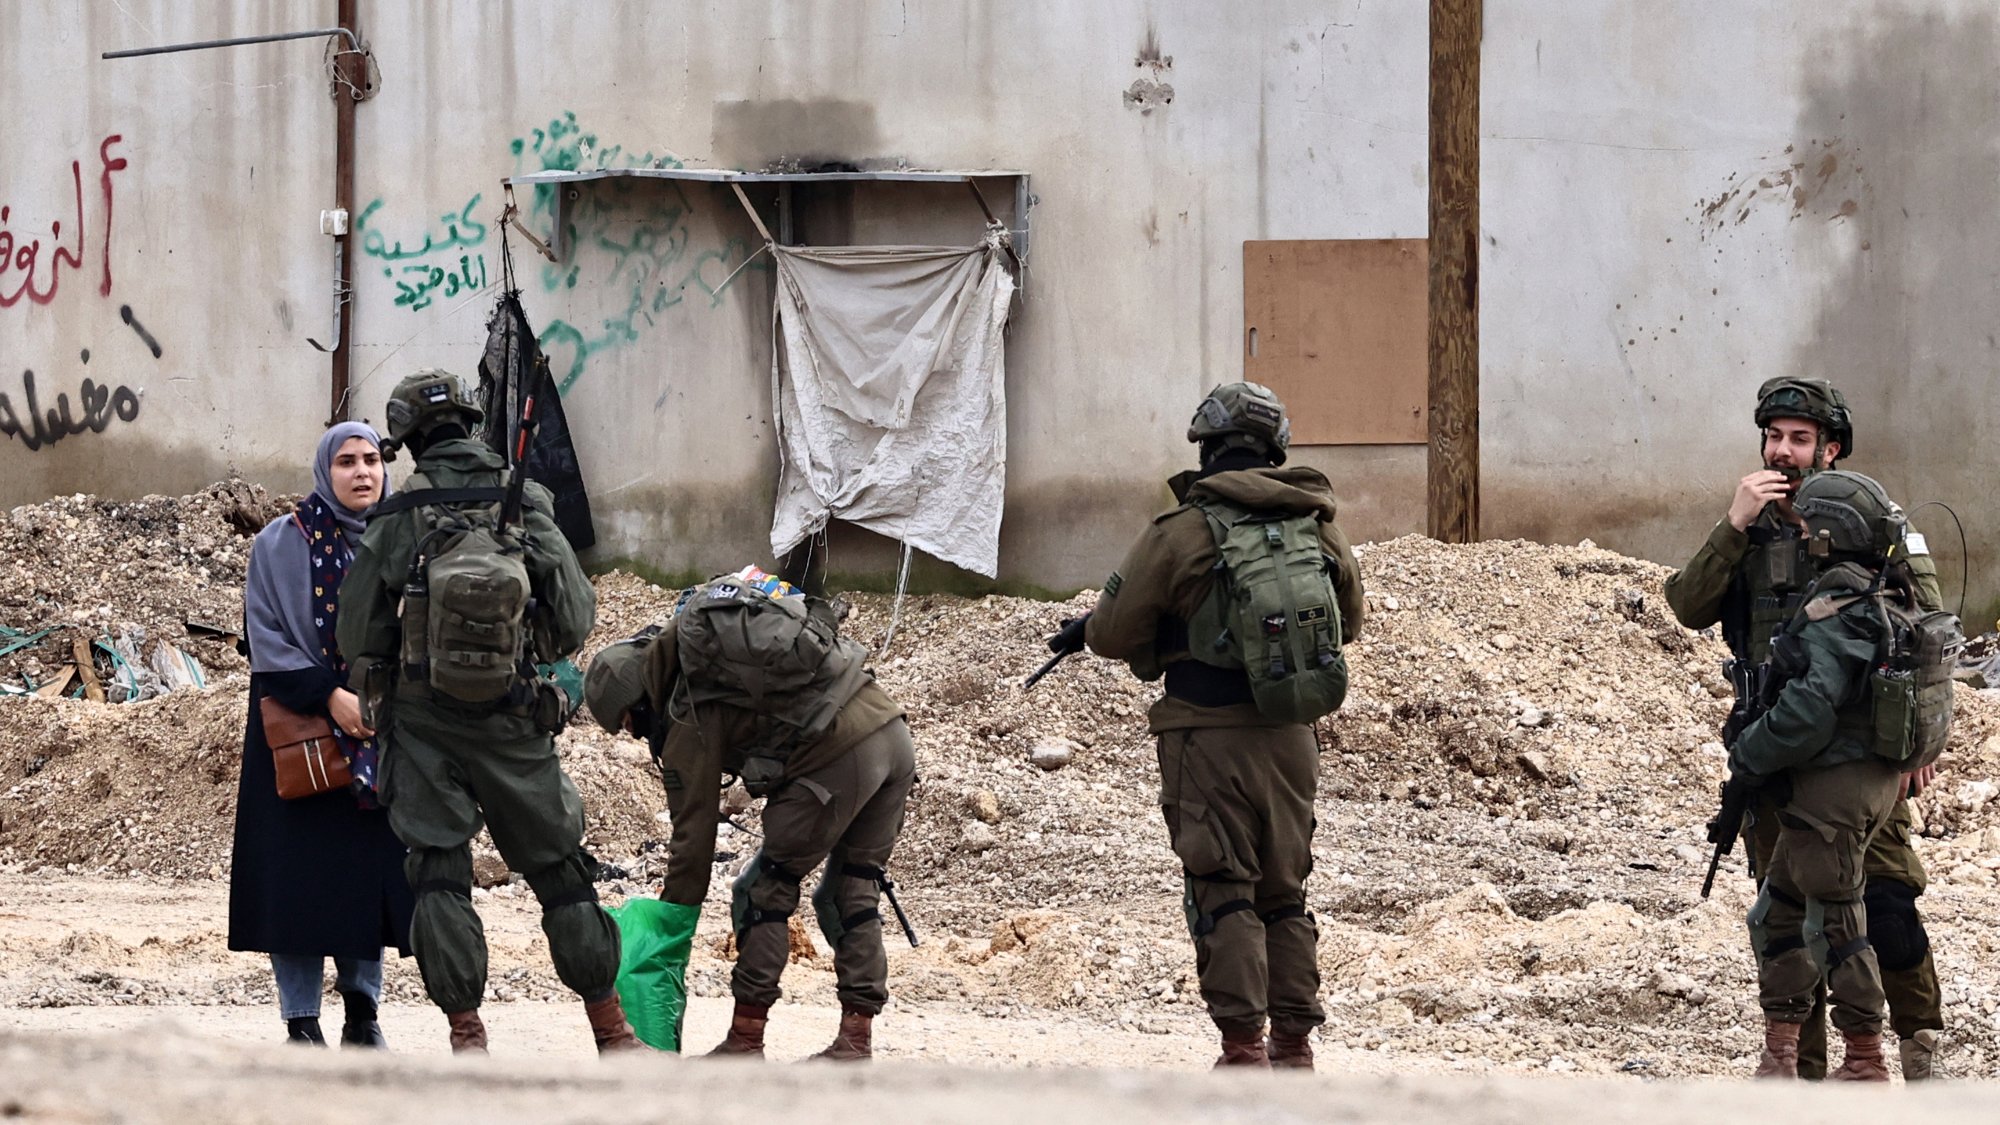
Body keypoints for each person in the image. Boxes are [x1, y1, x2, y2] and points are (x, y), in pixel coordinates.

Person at [336, 369, 636, 1055]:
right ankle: (612, 1032)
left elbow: (358, 637)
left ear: (407, 440)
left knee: (439, 874)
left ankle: (468, 1039)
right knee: (561, 871)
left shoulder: (397, 512)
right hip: (516, 721)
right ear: (472, 424)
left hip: (421, 728)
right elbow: (575, 616)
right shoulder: (522, 500)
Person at [1073, 382, 1364, 1069]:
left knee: (1222, 885)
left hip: (1206, 733)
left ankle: (1242, 1052)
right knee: (1284, 891)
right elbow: (1348, 622)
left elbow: (1114, 632)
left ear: (1206, 447)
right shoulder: (1318, 523)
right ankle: (1295, 1046)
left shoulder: (1181, 531)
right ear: (1275, 448)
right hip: (1292, 735)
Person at [1664, 379, 1946, 1079]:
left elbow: (1933, 634)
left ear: (1831, 448)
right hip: (1780, 747)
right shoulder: (1750, 527)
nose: (1782, 452)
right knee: (1787, 916)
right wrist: (1732, 526)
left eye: (1798, 438)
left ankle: (1921, 1056)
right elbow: (1687, 605)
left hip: (1856, 754)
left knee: (1884, 905)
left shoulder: (1872, 520)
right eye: (1773, 436)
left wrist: (1920, 742)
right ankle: (1807, 1074)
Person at [582, 578, 915, 1062]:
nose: (634, 736)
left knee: (762, 889)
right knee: (850, 890)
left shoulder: (685, 705)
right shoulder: (711, 665)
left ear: (635, 701)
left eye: (628, 724)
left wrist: (670, 928)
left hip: (839, 754)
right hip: (890, 732)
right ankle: (855, 1041)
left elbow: (692, 841)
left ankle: (745, 1041)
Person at [1726, 469, 1941, 1081]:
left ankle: (1865, 1063)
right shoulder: (1879, 591)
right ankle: (1784, 1053)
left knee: (1842, 924)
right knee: (1777, 913)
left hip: (1832, 792)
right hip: (1856, 787)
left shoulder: (1836, 605)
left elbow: (1808, 711)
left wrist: (1750, 753)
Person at [230, 421, 414, 1047]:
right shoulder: (278, 545)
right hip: (300, 732)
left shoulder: (404, 540)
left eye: (372, 460)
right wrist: (332, 697)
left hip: (381, 733)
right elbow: (267, 640)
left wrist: (379, 699)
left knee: (365, 882)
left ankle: (364, 1016)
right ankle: (300, 1022)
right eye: (346, 462)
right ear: (322, 471)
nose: (363, 472)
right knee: (298, 886)